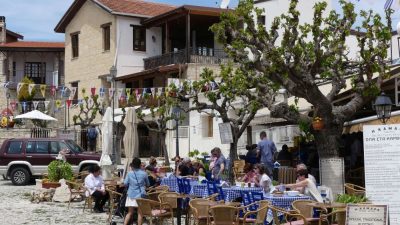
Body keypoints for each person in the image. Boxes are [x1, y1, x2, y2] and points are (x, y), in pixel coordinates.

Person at [124, 157, 150, 225]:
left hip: (131, 194)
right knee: (140, 213)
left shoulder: (129, 173)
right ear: (139, 165)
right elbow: (148, 184)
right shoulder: (144, 173)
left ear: (132, 165)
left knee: (130, 213)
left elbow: (125, 183)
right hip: (140, 195)